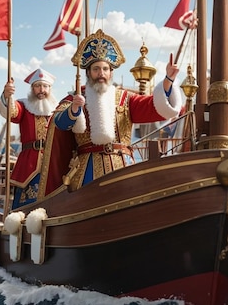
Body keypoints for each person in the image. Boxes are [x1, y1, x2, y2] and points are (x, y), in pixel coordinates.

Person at [38, 29, 182, 195]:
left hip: (124, 167)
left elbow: (153, 106)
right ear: (88, 73)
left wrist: (168, 81)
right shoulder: (75, 98)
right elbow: (59, 122)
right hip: (87, 173)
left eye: (105, 69)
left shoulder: (126, 98)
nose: (101, 74)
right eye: (96, 69)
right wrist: (74, 109)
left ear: (111, 72)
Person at [0, 68, 58, 208]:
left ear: (50, 88)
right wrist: (8, 96)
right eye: (37, 86)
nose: (41, 90)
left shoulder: (58, 108)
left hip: (53, 162)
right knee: (27, 205)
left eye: (45, 86)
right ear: (32, 88)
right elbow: (12, 112)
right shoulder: (25, 105)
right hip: (29, 163)